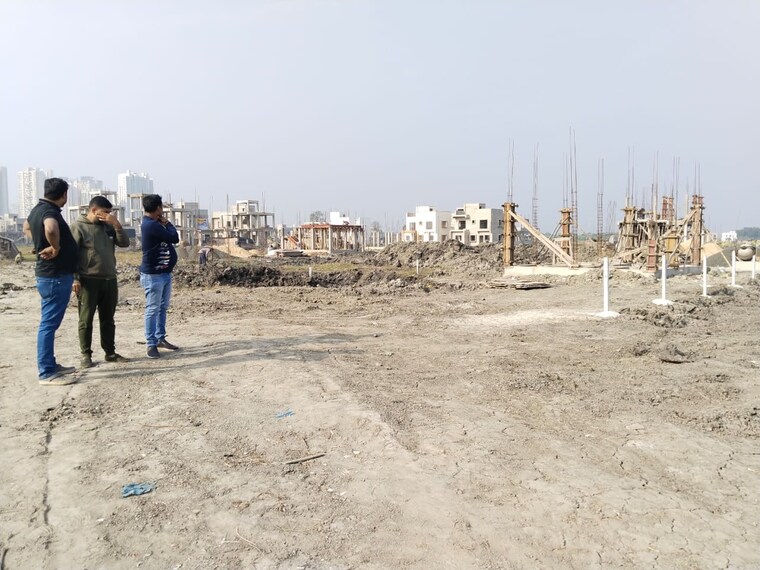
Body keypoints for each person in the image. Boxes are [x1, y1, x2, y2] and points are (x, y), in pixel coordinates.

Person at [22, 178, 79, 385]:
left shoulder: (37, 209)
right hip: (55, 276)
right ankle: (46, 372)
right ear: (64, 194)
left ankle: (50, 365)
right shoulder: (49, 212)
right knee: (48, 324)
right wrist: (55, 247)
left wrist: (39, 243)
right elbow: (51, 228)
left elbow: (26, 226)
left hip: (50, 275)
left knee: (49, 323)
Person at [71, 196, 131, 368]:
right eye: (105, 212)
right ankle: (86, 355)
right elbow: (72, 255)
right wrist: (75, 278)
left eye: (110, 213)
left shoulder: (108, 227)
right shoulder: (78, 227)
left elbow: (124, 243)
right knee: (85, 320)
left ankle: (110, 352)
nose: (108, 215)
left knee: (108, 319)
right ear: (94, 210)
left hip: (109, 279)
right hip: (88, 280)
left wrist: (117, 225)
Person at [140, 194, 180, 358]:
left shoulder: (154, 224)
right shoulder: (150, 225)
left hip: (164, 273)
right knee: (153, 309)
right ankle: (151, 343)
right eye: (161, 207)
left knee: (162, 307)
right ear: (158, 208)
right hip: (153, 275)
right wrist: (168, 224)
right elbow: (174, 238)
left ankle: (160, 338)